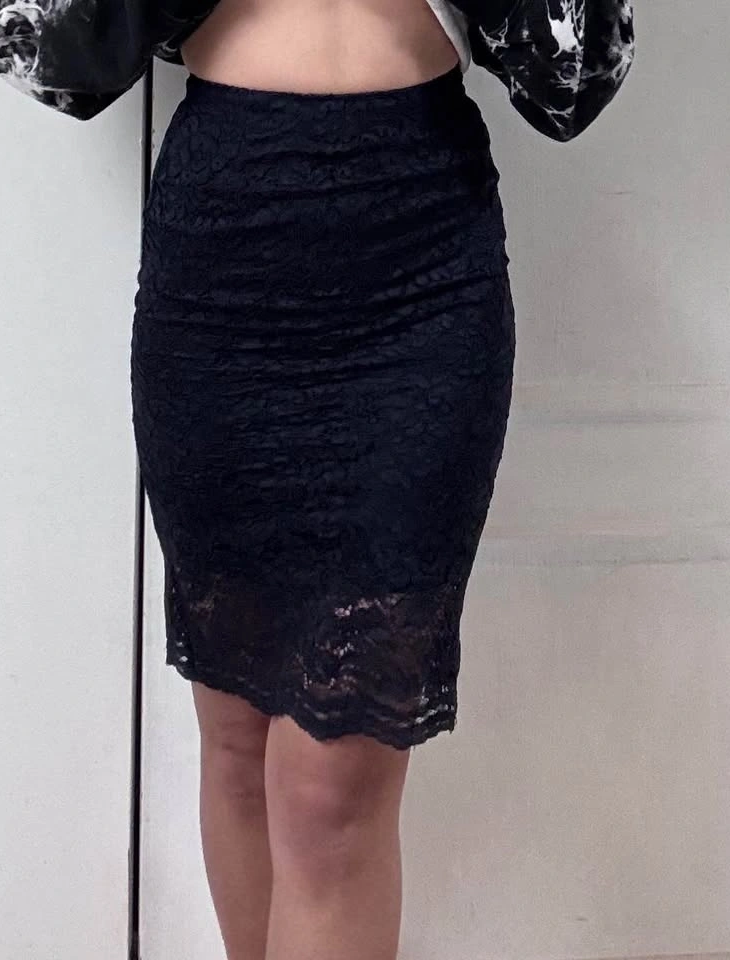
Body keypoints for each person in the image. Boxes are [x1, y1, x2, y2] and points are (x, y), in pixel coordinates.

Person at [130, 2, 512, 958]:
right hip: (222, 254)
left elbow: (582, 71)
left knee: (331, 788)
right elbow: (37, 46)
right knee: (236, 737)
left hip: (421, 257)